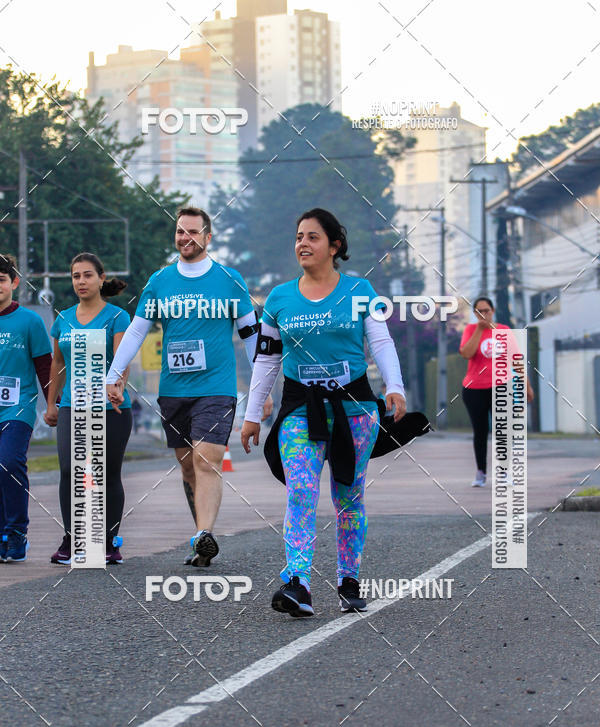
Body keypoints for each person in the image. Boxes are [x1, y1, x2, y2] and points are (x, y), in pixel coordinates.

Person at [241, 208, 406, 617]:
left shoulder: (360, 290)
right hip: (300, 407)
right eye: (298, 236)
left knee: (349, 496)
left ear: (334, 246)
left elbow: (381, 344)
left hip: (354, 407)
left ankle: (349, 580)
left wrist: (395, 387)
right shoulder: (279, 298)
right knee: (301, 490)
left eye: (313, 237)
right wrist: (250, 414)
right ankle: (297, 583)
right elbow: (266, 360)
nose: (302, 244)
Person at [106, 206, 270, 566]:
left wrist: (262, 388)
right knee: (187, 466)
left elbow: (250, 336)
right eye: (180, 231)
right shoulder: (160, 281)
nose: (185, 238)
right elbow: (136, 331)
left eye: (193, 232)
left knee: (207, 458)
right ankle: (201, 537)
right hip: (174, 391)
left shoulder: (229, 280)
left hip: (217, 387)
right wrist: (114, 374)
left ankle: (205, 534)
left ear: (208, 238)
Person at [44, 253, 132, 564]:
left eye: (87, 275)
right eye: (75, 276)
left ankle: (108, 541)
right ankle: (73, 539)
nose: (81, 281)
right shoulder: (63, 319)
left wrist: (118, 387)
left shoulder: (117, 317)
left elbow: (122, 360)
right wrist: (52, 403)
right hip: (73, 406)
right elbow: (57, 363)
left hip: (111, 409)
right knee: (71, 471)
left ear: (101, 278)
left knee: (106, 474)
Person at [0, 253, 52, 562]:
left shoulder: (29, 321)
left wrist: (53, 406)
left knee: (7, 462)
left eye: (1, 281)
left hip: (17, 408)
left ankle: (16, 532)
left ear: (14, 283)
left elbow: (45, 368)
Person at [459, 296, 533, 487]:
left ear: (493, 311)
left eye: (486, 311)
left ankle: (503, 472)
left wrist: (526, 385)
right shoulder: (470, 330)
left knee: (503, 431)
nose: (483, 314)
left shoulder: (504, 331)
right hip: (474, 389)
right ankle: (481, 472)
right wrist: (479, 330)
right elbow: (466, 353)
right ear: (475, 314)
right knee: (480, 431)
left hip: (501, 386)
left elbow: (516, 359)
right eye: (479, 311)